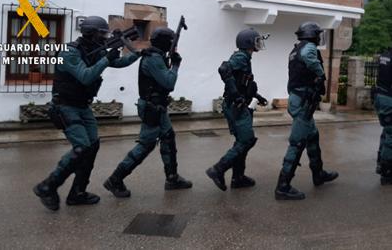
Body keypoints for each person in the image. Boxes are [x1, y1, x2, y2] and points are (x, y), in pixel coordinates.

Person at [33, 16, 141, 211]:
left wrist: (138, 53)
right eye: (102, 34)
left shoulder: (95, 51)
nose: (104, 37)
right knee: (81, 147)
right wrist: (106, 59)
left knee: (92, 146)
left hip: (83, 106)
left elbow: (119, 63)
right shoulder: (69, 52)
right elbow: (85, 76)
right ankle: (47, 186)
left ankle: (78, 193)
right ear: (91, 33)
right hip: (65, 106)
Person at [104, 27, 192, 198]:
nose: (173, 44)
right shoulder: (153, 59)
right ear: (165, 43)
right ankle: (115, 179)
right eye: (171, 41)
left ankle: (172, 178)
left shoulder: (156, 56)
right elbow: (168, 83)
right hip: (152, 108)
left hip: (158, 107)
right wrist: (175, 65)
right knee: (146, 145)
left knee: (168, 137)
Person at [274, 22, 338, 200]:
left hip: (298, 98)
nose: (319, 38)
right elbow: (309, 58)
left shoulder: (295, 50)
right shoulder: (308, 47)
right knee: (297, 142)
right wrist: (321, 74)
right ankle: (283, 186)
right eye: (318, 35)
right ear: (312, 35)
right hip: (303, 101)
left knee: (312, 137)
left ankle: (318, 174)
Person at [206, 28, 268, 191]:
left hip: (240, 105)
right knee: (247, 141)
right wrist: (235, 95)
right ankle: (218, 169)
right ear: (248, 42)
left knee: (242, 141)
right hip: (236, 106)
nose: (259, 43)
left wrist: (257, 96)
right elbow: (224, 69)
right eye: (256, 41)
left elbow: (243, 82)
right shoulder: (241, 56)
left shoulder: (245, 58)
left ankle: (238, 177)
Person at [374, 48, 392, 184]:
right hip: (388, 98)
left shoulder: (385, 54)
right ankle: (387, 172)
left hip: (380, 96)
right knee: (391, 135)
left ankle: (381, 164)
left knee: (387, 131)